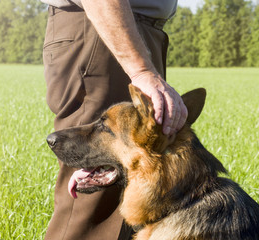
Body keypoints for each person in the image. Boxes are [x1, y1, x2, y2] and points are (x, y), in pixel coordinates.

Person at [41, 0, 188, 239]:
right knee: (93, 201)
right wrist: (141, 70)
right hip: (104, 28)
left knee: (130, 185)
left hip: (130, 32)